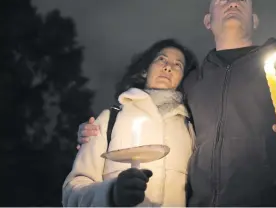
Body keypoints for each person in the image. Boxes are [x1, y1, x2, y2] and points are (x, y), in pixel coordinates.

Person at [77, 0, 276, 206]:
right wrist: (99, 132)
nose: (232, 2)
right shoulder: (191, 84)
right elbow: (153, 121)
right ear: (208, 21)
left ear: (255, 20)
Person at [62, 39, 198, 207]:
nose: (168, 67)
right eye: (161, 59)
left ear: (183, 79)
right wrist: (111, 194)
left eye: (178, 65)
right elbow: (72, 193)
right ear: (144, 71)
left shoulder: (190, 128)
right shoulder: (110, 119)